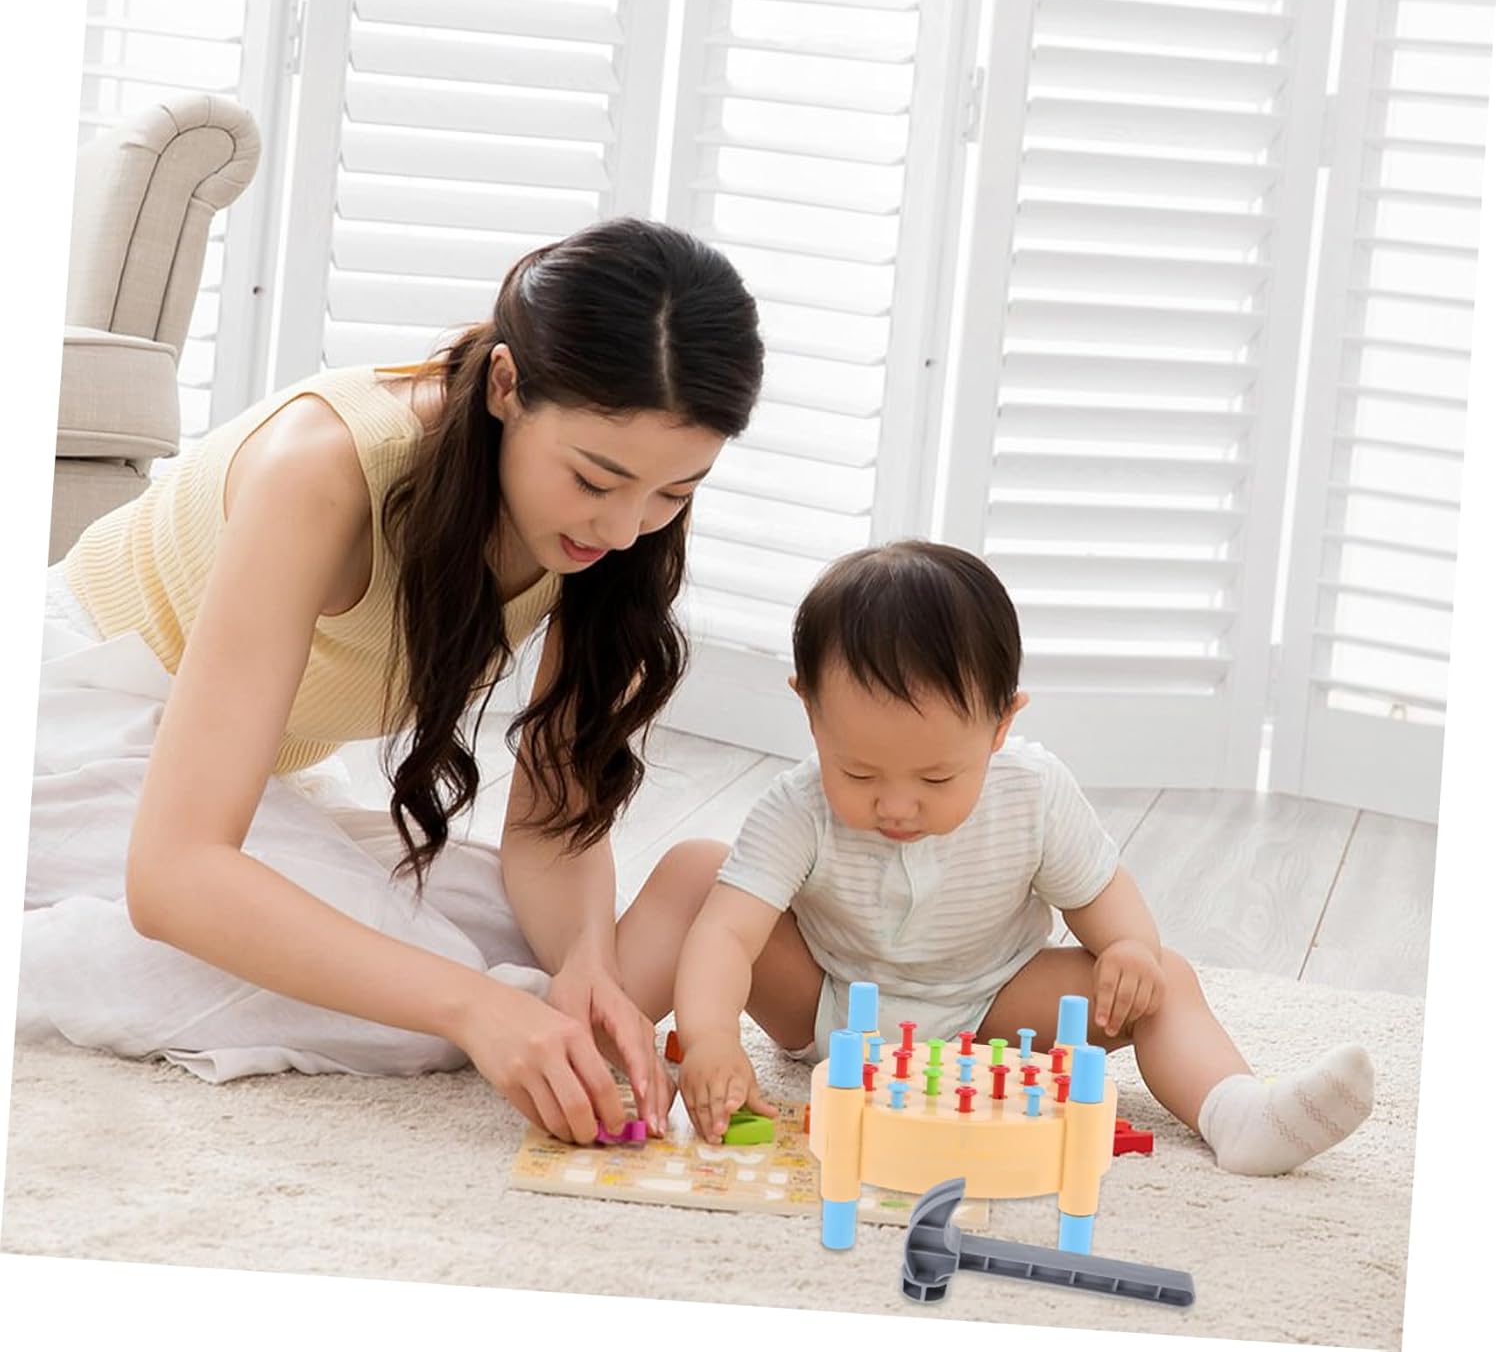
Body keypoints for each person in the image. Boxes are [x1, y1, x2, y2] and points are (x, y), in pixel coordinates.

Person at [21, 216, 764, 1146]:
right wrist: (472, 1010)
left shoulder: (617, 527)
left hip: (234, 778)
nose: (623, 529)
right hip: (69, 720)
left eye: (675, 492)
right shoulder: (323, 471)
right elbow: (175, 875)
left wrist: (585, 961)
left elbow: (554, 822)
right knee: (431, 1002)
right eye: (594, 480)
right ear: (506, 386)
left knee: (511, 950)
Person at [668, 540, 1376, 1176]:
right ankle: (616, 1033)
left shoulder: (1032, 792)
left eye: (936, 778)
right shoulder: (798, 806)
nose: (897, 806)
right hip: (826, 1004)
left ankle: (1237, 1113)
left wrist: (1129, 947)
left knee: (1164, 977)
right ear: (810, 710)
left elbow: (1100, 894)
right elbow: (729, 934)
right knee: (701, 880)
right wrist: (710, 1037)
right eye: (857, 772)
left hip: (994, 1010)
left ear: (1002, 723)